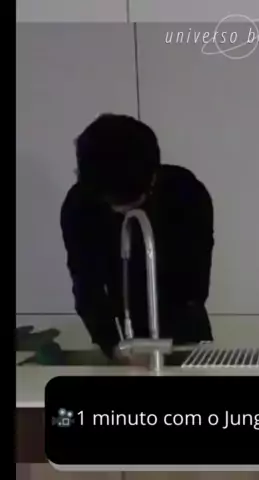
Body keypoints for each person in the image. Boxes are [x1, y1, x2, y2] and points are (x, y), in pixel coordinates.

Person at [61, 114, 214, 360]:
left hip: (184, 331)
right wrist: (113, 346)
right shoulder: (81, 203)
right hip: (120, 337)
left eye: (135, 200)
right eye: (113, 202)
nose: (123, 212)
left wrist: (163, 347)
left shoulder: (185, 192)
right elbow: (86, 285)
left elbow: (193, 286)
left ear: (153, 176)